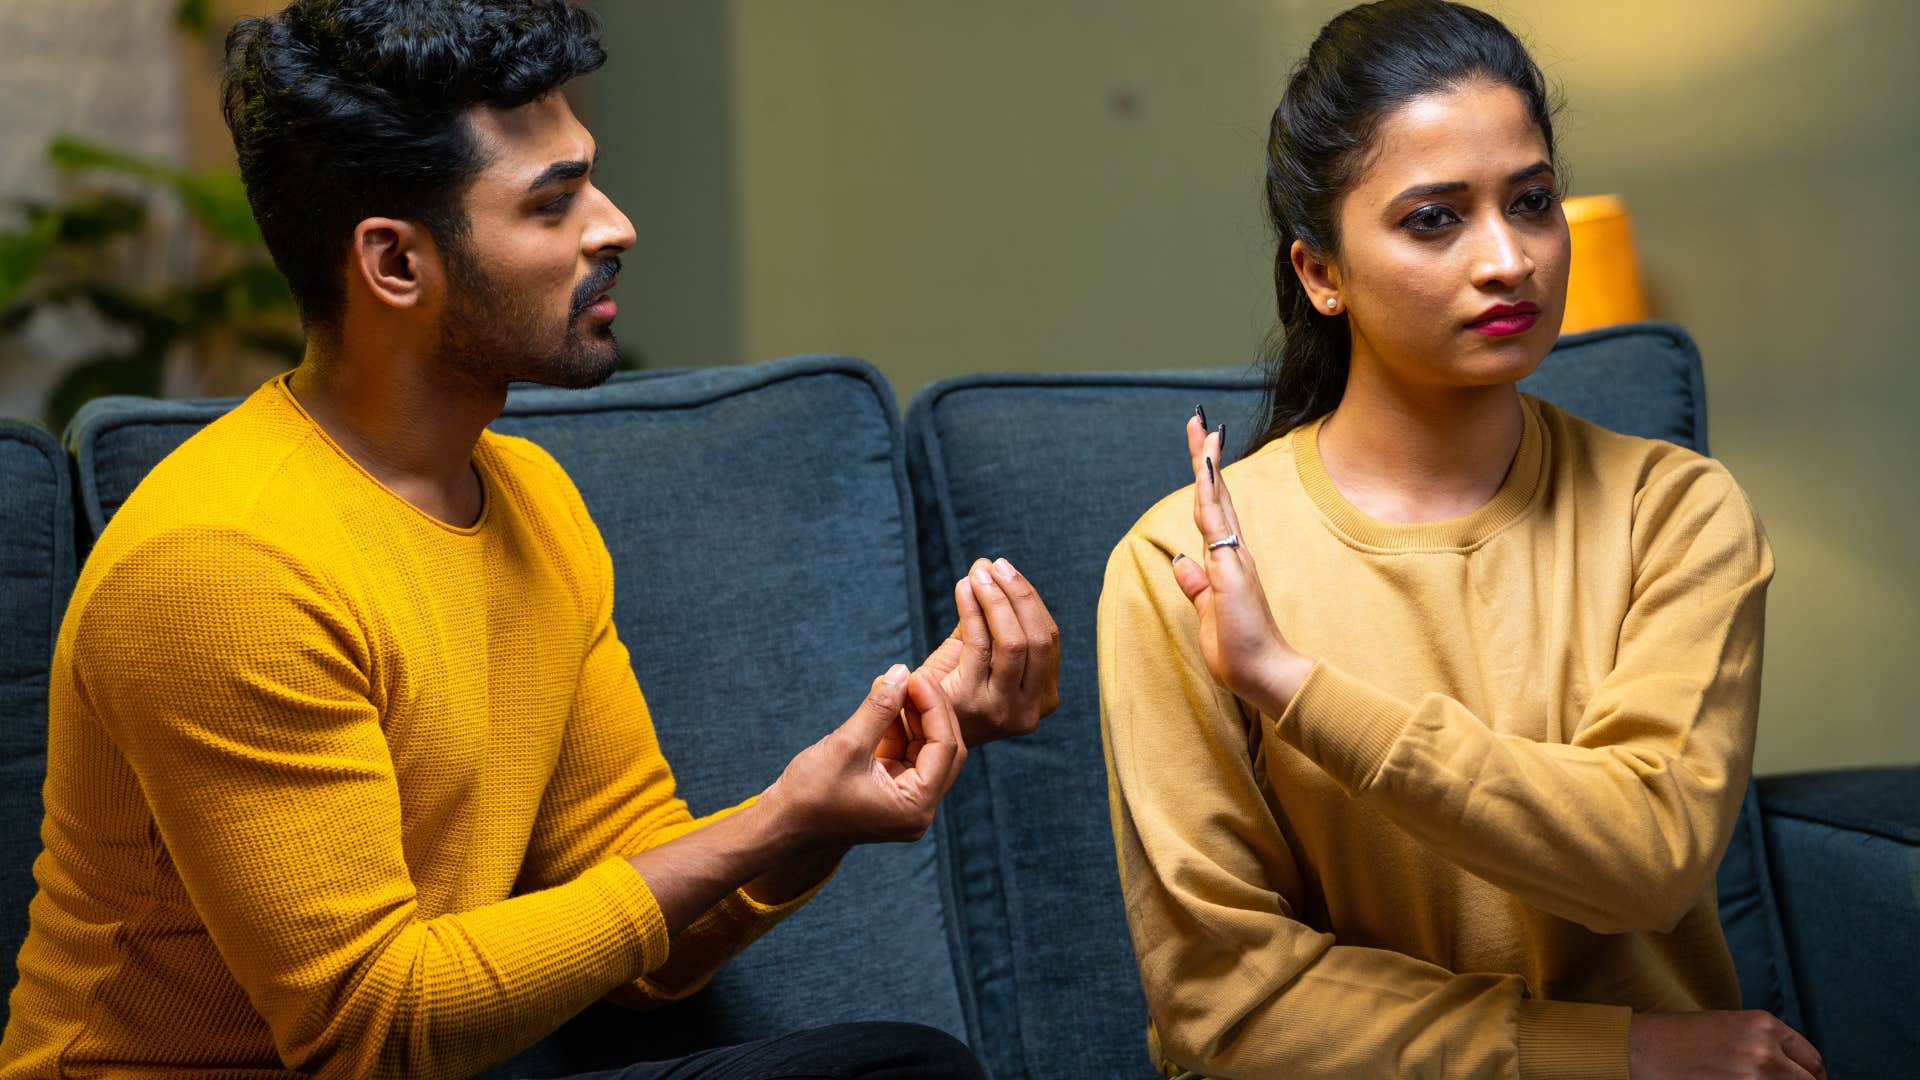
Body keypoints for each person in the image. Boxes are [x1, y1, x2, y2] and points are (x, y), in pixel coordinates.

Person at [0, 2, 1059, 1078]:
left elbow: (653, 948)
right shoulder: (224, 562)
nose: (614, 226)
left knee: (890, 1069)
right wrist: (778, 818)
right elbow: (370, 1028)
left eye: (588, 179)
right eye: (552, 204)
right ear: (395, 265)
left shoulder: (532, 498)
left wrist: (844, 791)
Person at [1097, 2, 1823, 1078]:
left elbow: (1649, 857)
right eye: (1435, 219)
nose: (1509, 259)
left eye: (1532, 204)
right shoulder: (1182, 571)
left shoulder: (1677, 511)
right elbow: (1227, 1003)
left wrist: (1298, 689)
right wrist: (1616, 1054)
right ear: (1320, 274)